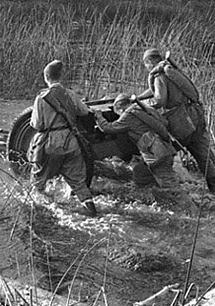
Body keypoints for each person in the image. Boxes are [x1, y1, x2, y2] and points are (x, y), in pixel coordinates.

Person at [133, 48, 215, 195]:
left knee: (164, 148)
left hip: (181, 120)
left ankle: (164, 186)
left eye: (146, 64)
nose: (146, 68)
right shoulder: (170, 70)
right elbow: (156, 90)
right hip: (195, 115)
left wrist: (144, 106)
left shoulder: (159, 75)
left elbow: (160, 99)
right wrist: (138, 98)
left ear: (150, 62)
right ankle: (214, 190)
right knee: (202, 155)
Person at [94, 94, 195, 210]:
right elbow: (164, 123)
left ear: (119, 107)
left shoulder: (128, 115)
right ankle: (153, 200)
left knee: (171, 187)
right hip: (162, 150)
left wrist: (99, 117)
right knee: (140, 173)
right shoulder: (144, 109)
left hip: (157, 155)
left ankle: (191, 211)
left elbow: (108, 128)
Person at [28, 60, 97, 217]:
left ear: (46, 77)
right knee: (79, 184)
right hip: (72, 142)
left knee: (38, 181)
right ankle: (92, 212)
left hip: (51, 145)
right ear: (60, 76)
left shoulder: (42, 98)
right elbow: (84, 112)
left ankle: (39, 212)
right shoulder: (70, 94)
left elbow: (37, 124)